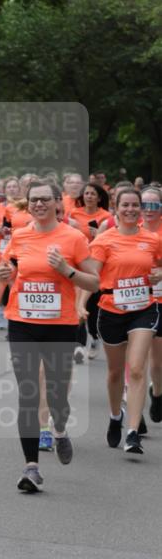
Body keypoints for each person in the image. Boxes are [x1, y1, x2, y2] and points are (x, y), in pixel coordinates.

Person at [0, 179, 98, 493]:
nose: (39, 204)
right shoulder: (20, 236)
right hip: (22, 322)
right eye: (34, 199)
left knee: (57, 395)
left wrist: (66, 270)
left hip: (60, 325)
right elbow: (2, 276)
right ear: (28, 203)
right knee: (29, 393)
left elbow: (94, 282)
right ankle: (31, 467)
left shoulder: (73, 238)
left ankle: (59, 429)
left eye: (45, 199)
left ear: (57, 202)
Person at [81, 186, 162, 454]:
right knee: (116, 373)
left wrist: (159, 275)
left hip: (144, 307)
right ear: (115, 208)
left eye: (135, 205)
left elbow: (160, 266)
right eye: (125, 205)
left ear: (141, 209)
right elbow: (91, 278)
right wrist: (80, 304)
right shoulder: (104, 240)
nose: (130, 209)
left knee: (137, 369)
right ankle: (116, 415)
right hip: (111, 310)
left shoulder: (152, 239)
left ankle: (133, 432)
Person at [69, 183, 110, 363]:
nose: (89, 197)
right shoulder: (74, 214)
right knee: (77, 304)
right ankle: (78, 345)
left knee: (92, 307)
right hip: (77, 263)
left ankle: (94, 337)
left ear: (99, 198)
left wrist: (98, 235)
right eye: (86, 193)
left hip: (95, 265)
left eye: (93, 194)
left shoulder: (106, 216)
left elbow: (109, 242)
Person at [141, 185, 162, 422]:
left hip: (160, 300)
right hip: (136, 301)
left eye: (154, 205)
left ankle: (157, 394)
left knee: (157, 361)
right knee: (136, 360)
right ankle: (135, 417)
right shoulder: (131, 230)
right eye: (144, 204)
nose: (149, 209)